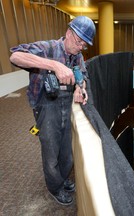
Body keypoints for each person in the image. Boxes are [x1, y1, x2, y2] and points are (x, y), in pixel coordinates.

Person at [9, 16, 96, 205]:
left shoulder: (78, 55)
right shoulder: (47, 48)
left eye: (84, 44)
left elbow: (82, 74)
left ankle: (62, 179)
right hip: (45, 106)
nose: (81, 46)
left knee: (66, 152)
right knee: (51, 153)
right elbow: (15, 56)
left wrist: (81, 88)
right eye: (79, 41)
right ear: (68, 33)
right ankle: (54, 188)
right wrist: (54, 65)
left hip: (65, 104)